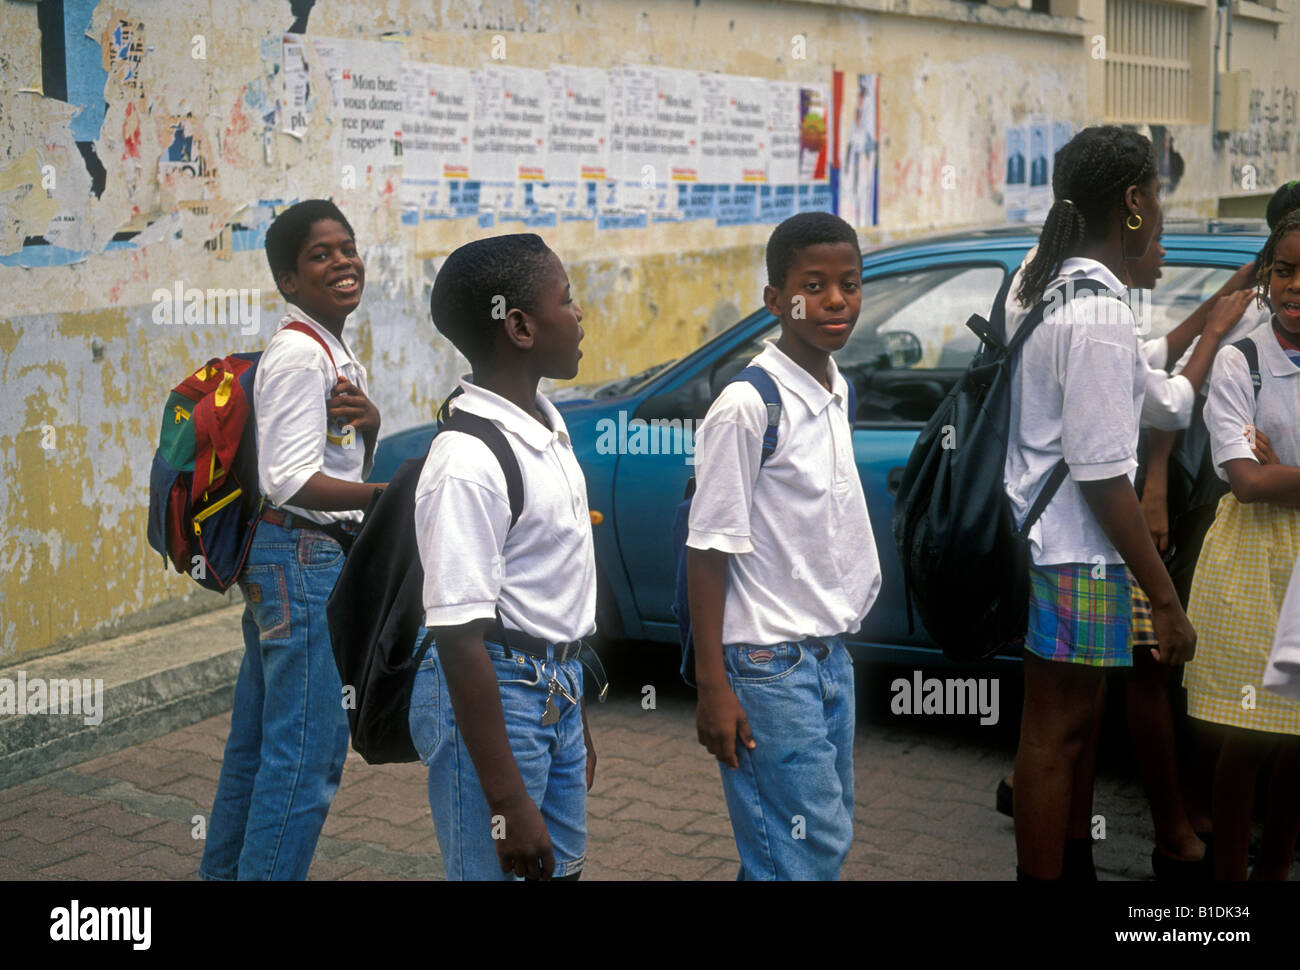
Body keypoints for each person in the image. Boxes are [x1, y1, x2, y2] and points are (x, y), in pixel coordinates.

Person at [1004, 125, 1196, 882]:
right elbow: (1100, 476)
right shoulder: (1101, 315)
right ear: (1134, 202)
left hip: (1057, 545)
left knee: (1069, 734)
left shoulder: (1053, 286)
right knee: (1056, 738)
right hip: (1076, 550)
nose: (1163, 212)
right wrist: (1165, 595)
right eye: (1158, 194)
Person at [688, 211, 882, 880]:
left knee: (796, 848)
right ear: (775, 301)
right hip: (768, 664)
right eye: (814, 285)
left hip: (828, 657)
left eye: (850, 284)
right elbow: (708, 549)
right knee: (806, 850)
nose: (835, 301)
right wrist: (714, 684)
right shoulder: (749, 405)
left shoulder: (834, 386)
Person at [200, 199, 383, 881]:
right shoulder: (301, 355)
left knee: (258, 747)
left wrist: (371, 426)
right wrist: (383, 498)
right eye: (320, 254)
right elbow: (289, 481)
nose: (342, 262)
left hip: (288, 561)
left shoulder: (328, 352)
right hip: (299, 562)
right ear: (288, 280)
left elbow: (325, 463)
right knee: (307, 757)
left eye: (347, 246)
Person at [408, 233, 598, 881]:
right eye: (566, 300)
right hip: (494, 696)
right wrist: (509, 799)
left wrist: (572, 709)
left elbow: (551, 596)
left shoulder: (546, 424)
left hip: (551, 692)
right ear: (518, 325)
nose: (578, 314)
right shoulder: (465, 462)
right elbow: (459, 640)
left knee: (558, 870)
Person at [1183, 211, 1300, 880]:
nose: (1296, 286)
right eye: (1283, 270)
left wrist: (1283, 470)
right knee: (1247, 734)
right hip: (1254, 563)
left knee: (1299, 746)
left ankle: (1275, 870)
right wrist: (1269, 472)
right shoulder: (1242, 360)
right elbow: (1249, 483)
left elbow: (1270, 475)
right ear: (1265, 277)